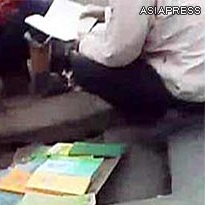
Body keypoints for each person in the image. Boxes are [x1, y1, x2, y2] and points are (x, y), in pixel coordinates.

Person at [58, 0, 204, 123]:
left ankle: (148, 118)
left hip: (187, 88)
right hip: (196, 69)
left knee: (83, 67)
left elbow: (118, 53)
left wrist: (82, 44)